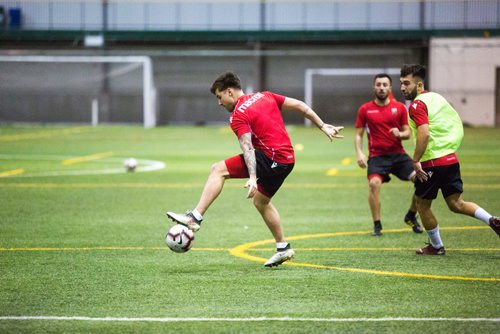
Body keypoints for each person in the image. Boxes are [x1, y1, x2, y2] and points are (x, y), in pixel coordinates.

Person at [167, 71, 344, 267]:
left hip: (271, 158)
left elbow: (248, 146)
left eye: (219, 97)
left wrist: (252, 176)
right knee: (261, 202)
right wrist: (322, 126)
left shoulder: (238, 114)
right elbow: (300, 106)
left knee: (218, 170)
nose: (219, 102)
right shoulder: (265, 96)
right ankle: (283, 247)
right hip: (287, 159)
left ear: (230, 92)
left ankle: (195, 217)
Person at [399, 64, 500, 255]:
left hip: (432, 162)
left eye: (407, 83)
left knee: (422, 204)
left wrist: (415, 160)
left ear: (419, 85)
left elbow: (424, 133)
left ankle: (436, 246)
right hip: (450, 159)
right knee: (456, 204)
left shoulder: (417, 105)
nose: (403, 88)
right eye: (401, 83)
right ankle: (492, 220)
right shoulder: (436, 98)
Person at [355, 73, 423, 236]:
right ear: (374, 87)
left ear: (390, 88)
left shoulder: (400, 107)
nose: (381, 88)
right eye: (378, 84)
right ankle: (377, 225)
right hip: (377, 157)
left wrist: (399, 134)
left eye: (385, 85)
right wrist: (359, 153)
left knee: (422, 180)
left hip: (398, 155)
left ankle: (411, 215)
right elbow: (358, 134)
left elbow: (408, 133)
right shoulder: (365, 109)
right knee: (374, 184)